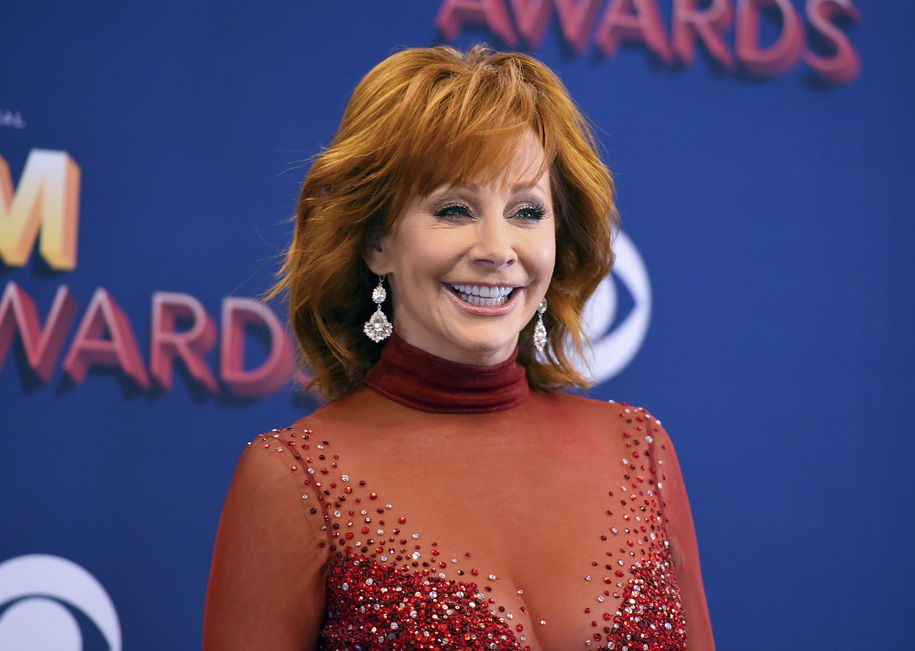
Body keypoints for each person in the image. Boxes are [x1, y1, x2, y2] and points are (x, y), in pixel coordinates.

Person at [204, 45, 713, 651]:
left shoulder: (639, 450)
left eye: (526, 210)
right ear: (376, 244)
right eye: (454, 209)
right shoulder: (296, 478)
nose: (497, 248)